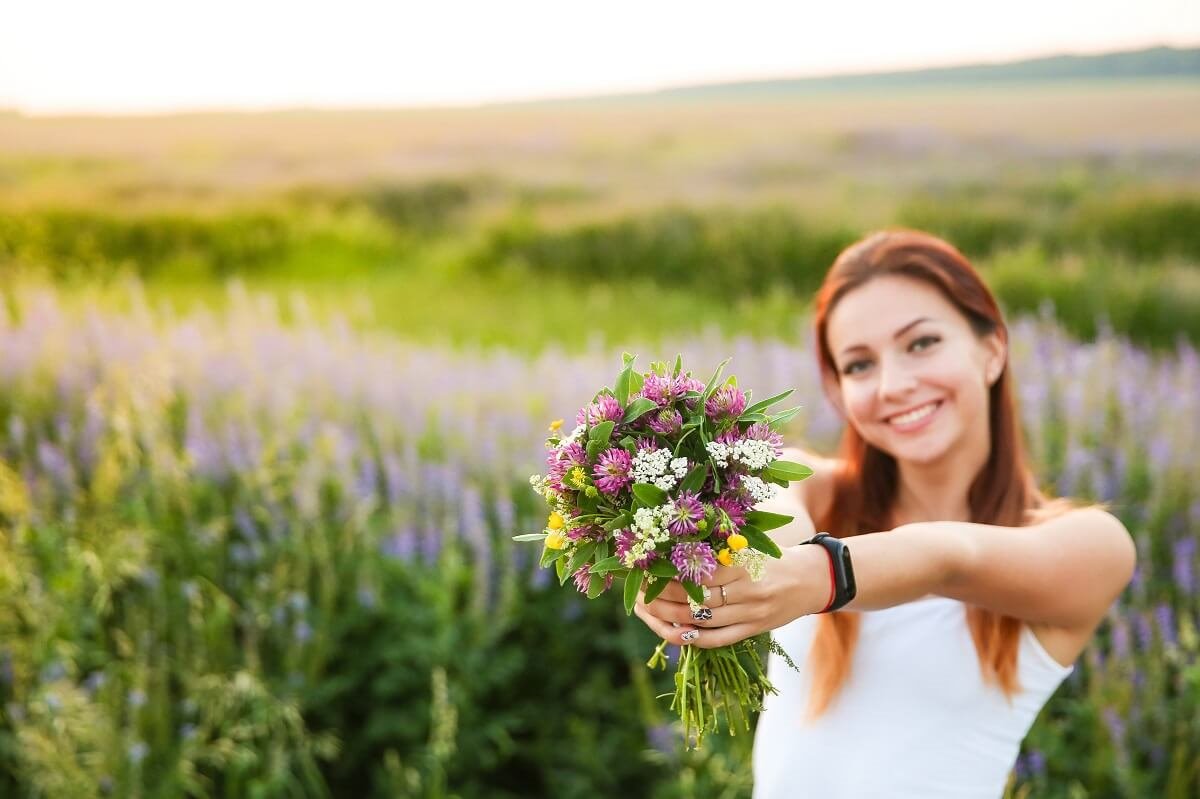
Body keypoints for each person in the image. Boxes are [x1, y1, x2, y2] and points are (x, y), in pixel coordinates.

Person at [633, 229, 1137, 798]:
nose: (894, 385)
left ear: (993, 348)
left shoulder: (1089, 546)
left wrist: (820, 574)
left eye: (921, 343)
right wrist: (726, 573)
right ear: (837, 389)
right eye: (859, 365)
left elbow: (949, 559)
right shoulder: (811, 487)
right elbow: (778, 508)